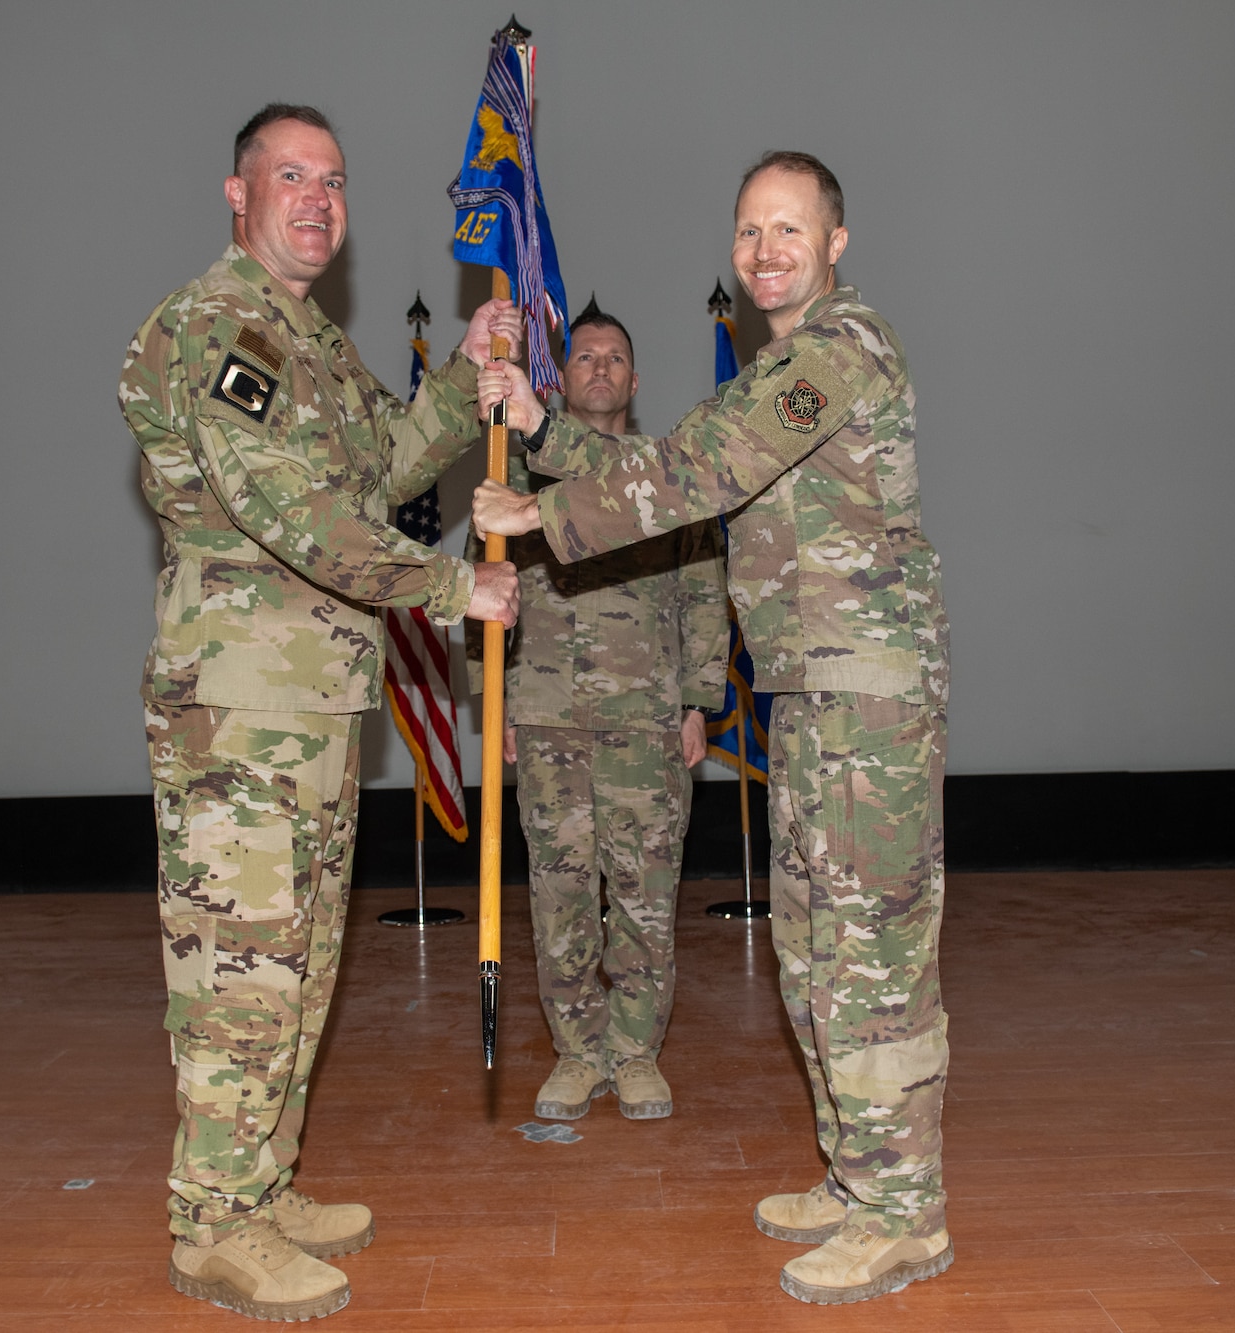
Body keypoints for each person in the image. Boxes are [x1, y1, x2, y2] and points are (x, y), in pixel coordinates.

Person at [473, 151, 952, 1307]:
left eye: (788, 229)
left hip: (863, 694)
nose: (764, 251)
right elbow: (666, 460)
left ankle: (904, 1210)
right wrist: (541, 425)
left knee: (867, 957)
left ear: (834, 241)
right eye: (747, 232)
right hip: (811, 690)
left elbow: (694, 468)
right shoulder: (781, 364)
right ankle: (857, 1177)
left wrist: (539, 507)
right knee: (810, 950)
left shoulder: (840, 350)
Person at [119, 103, 520, 1322]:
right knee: (240, 975)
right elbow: (292, 511)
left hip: (311, 703)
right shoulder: (215, 328)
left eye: (333, 180)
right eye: (289, 176)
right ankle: (213, 1224)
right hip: (238, 712)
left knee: (298, 966)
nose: (316, 198)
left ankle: (261, 1181)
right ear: (234, 194)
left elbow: (383, 469)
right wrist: (458, 585)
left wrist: (464, 376)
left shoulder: (311, 342)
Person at [469, 300, 729, 1123]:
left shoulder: (665, 474)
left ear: (636, 378)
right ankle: (579, 1053)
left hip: (646, 719)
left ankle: (637, 1052)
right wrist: (496, 704)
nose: (601, 368)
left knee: (648, 893)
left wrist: (698, 702)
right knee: (561, 894)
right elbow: (488, 593)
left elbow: (703, 590)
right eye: (584, 357)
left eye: (616, 357)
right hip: (544, 715)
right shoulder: (516, 475)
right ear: (559, 375)